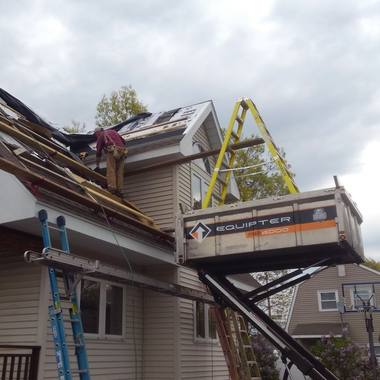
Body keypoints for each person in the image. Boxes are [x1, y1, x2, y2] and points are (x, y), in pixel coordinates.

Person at [93, 127, 126, 198]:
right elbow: (124, 142)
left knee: (111, 170)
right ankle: (119, 190)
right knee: (119, 172)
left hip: (112, 151)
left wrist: (97, 164)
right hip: (122, 152)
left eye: (96, 134)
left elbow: (98, 152)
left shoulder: (101, 136)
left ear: (98, 132)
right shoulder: (113, 131)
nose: (96, 136)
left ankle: (112, 188)